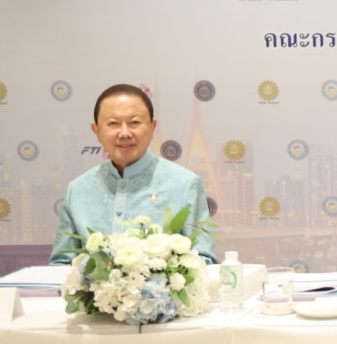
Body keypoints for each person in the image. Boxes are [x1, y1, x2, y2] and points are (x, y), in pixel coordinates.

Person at [50, 84, 217, 265]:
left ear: (152, 127)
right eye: (113, 123)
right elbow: (60, 265)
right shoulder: (78, 189)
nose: (124, 133)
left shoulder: (184, 185)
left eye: (135, 122)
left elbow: (204, 263)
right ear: (96, 130)